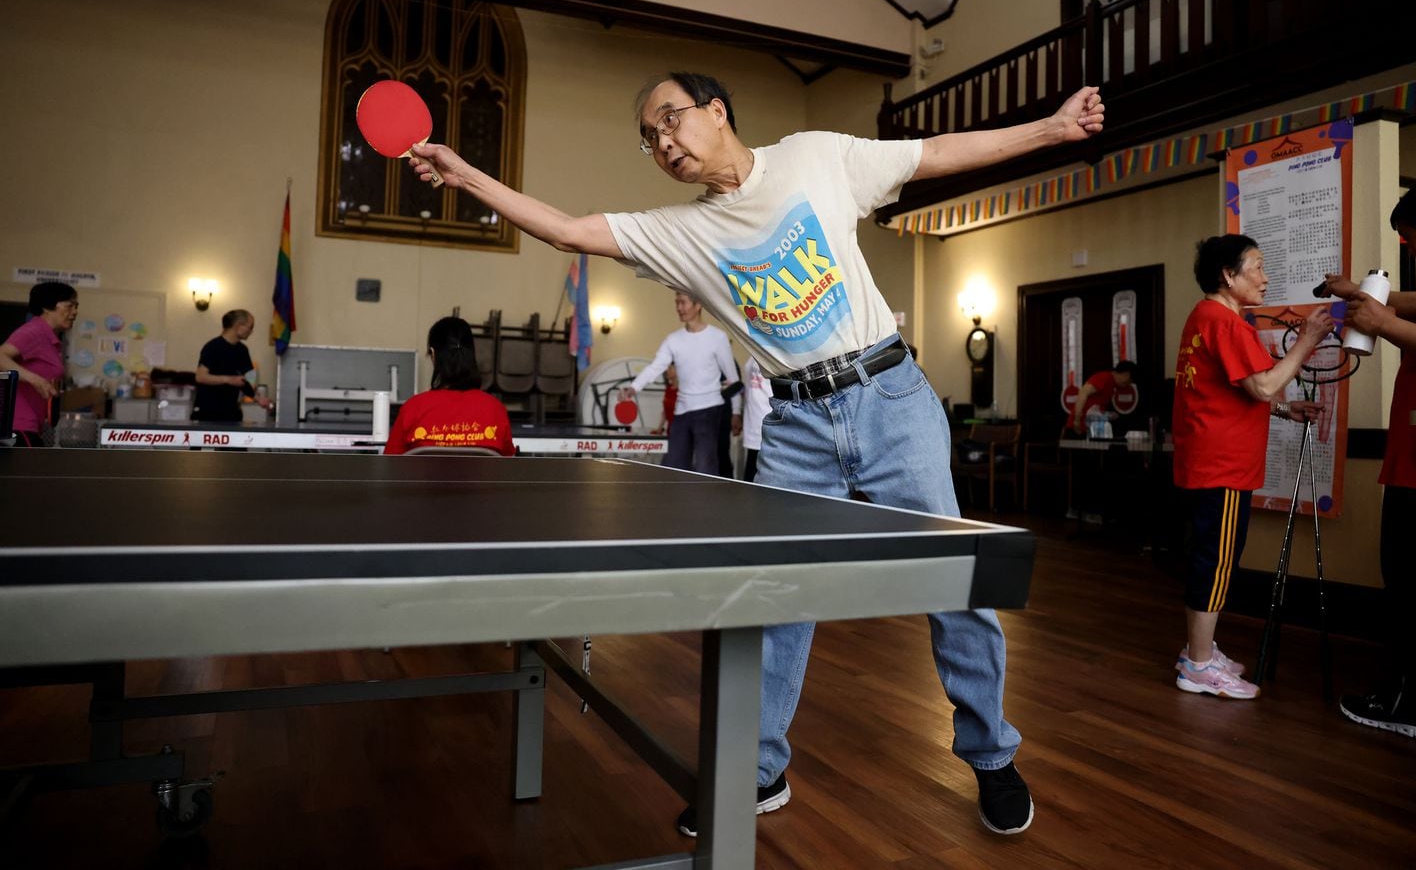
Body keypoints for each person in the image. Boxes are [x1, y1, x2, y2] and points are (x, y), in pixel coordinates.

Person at [408, 70, 1106, 838]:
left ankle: (991, 755)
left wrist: (1050, 129)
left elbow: (933, 151)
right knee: (773, 594)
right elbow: (569, 229)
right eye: (649, 138)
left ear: (717, 109)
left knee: (957, 578)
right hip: (796, 421)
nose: (663, 142)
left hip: (889, 395)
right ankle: (759, 767)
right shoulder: (680, 233)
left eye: (669, 120)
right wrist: (465, 173)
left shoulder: (815, 157)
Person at [1171, 235, 1329, 699]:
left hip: (1209, 462)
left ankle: (1198, 651)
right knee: (1215, 564)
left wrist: (1285, 411)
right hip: (1221, 466)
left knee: (1212, 558)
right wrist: (1307, 341)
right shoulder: (1226, 322)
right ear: (1228, 275)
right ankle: (1198, 667)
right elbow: (1261, 387)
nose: (1265, 277)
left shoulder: (1205, 317)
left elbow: (1232, 391)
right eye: (1257, 267)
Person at [1321, 176, 1416, 740]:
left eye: (1412, 242)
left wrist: (1383, 325)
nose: (1411, 254)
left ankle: (1415, 706)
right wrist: (1367, 297)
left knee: (1415, 582)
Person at [620, 291, 741, 475]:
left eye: (683, 303)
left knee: (705, 468)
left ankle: (707, 503)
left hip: (709, 411)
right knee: (673, 467)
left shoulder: (718, 338)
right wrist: (633, 387)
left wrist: (736, 412)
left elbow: (733, 379)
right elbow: (655, 367)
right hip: (682, 411)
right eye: (676, 303)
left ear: (698, 305)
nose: (678, 308)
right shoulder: (673, 340)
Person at [384, 316, 516, 456]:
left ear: (433, 355)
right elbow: (507, 469)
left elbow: (388, 469)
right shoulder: (495, 409)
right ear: (471, 355)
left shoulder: (412, 408)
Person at [0, 282, 79, 446]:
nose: (74, 312)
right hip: (17, 426)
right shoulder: (34, 331)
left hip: (30, 426)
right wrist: (34, 379)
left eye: (76, 306)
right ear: (47, 307)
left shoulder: (50, 340)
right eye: (69, 306)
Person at [194, 309, 261, 422]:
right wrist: (229, 379)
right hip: (208, 412)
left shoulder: (242, 350)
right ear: (239, 326)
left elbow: (247, 380)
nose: (251, 331)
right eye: (250, 327)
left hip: (231, 412)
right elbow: (200, 377)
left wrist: (259, 398)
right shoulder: (212, 347)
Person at [1068, 359, 1137, 434]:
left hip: (1091, 428)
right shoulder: (1105, 377)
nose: (1129, 384)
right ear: (1126, 374)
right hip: (1077, 427)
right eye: (1129, 380)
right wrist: (1077, 420)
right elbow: (1083, 393)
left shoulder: (1113, 385)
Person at [740, 355, 773, 482]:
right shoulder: (753, 353)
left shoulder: (776, 352)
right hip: (752, 423)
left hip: (768, 425)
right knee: (751, 478)